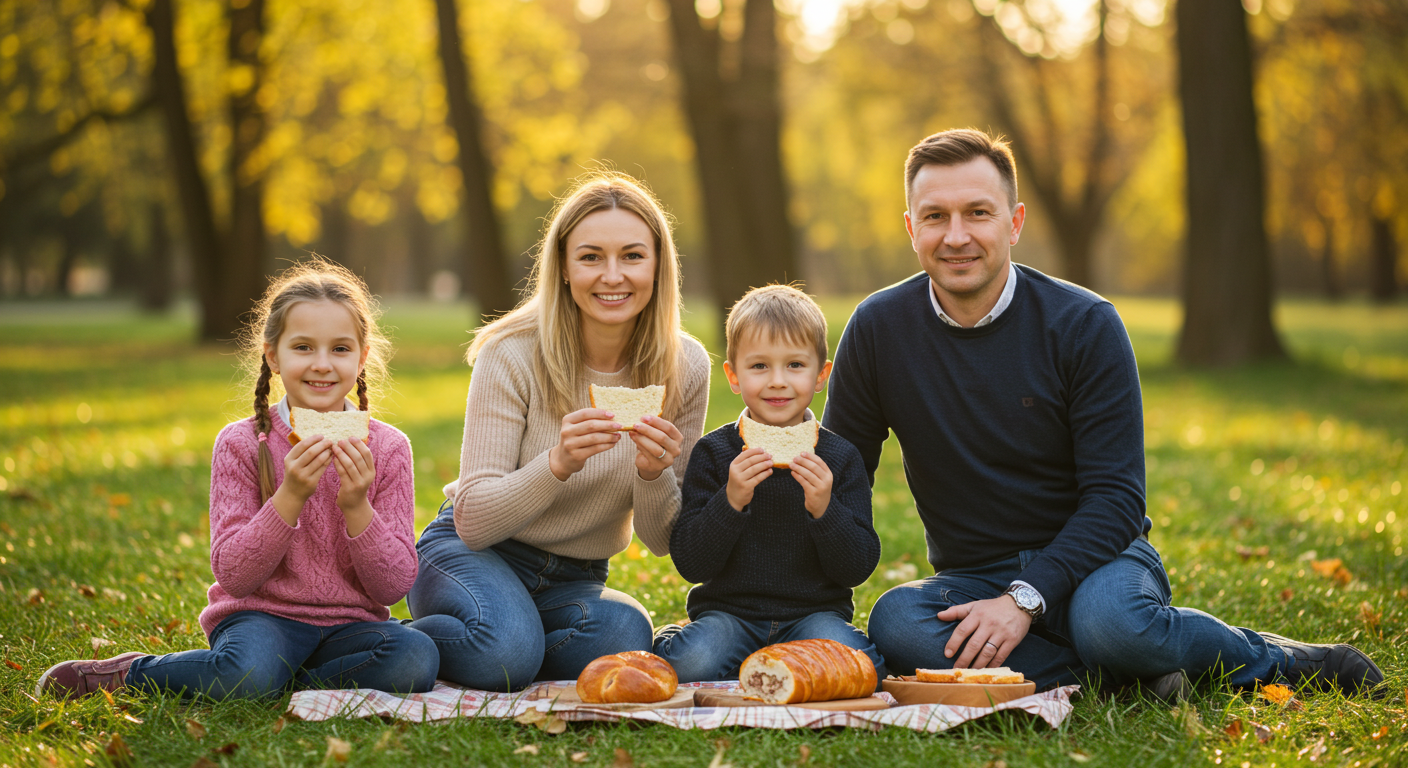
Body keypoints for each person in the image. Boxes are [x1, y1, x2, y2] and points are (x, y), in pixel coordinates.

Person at [823, 128, 1385, 699]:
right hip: (974, 576)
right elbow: (841, 476)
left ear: (1014, 223)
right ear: (911, 227)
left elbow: (1117, 499)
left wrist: (1024, 600)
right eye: (936, 216)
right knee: (896, 622)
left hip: (1099, 561)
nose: (957, 236)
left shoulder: (1084, 324)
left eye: (978, 212)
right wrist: (806, 610)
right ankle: (1133, 678)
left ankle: (1285, 660)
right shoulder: (877, 330)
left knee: (1112, 625)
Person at [36, 258, 438, 700]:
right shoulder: (242, 443)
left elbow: (394, 585)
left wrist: (358, 507)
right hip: (262, 618)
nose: (322, 364)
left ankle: (280, 683)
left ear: (362, 359)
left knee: (416, 657)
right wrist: (290, 495)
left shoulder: (387, 448)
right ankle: (132, 674)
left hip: (352, 626)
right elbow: (235, 574)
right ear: (273, 356)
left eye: (340, 349)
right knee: (247, 670)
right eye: (303, 347)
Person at [406, 174, 711, 691]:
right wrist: (557, 463)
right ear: (564, 268)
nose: (612, 276)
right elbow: (474, 521)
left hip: (576, 577)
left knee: (627, 634)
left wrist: (653, 473)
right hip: (473, 553)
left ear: (658, 266)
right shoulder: (512, 354)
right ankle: (393, 643)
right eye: (591, 257)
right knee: (505, 656)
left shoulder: (686, 366)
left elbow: (662, 543)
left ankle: (509, 636)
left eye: (632, 256)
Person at [654, 285, 883, 683]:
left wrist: (825, 510)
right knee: (689, 664)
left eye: (795, 365)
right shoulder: (714, 453)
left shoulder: (840, 457)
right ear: (734, 376)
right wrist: (730, 502)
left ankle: (774, 664)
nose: (778, 381)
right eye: (759, 366)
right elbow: (691, 564)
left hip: (813, 618)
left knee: (867, 667)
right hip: (730, 616)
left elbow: (857, 567)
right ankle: (682, 640)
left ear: (820, 376)